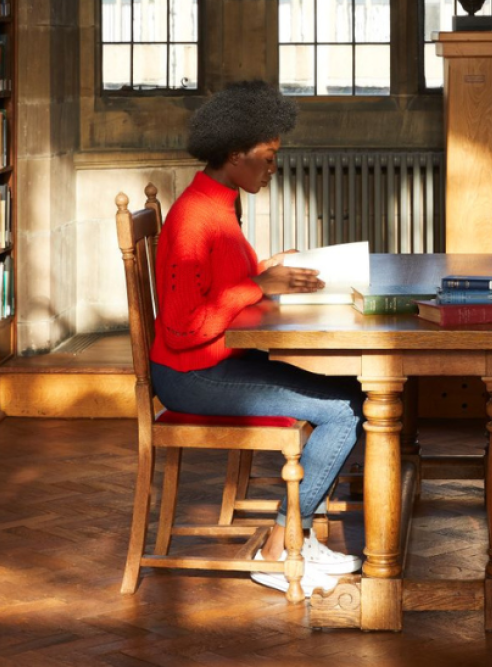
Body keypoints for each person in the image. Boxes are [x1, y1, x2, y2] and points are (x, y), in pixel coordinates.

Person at [149, 80, 365, 595]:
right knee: (348, 408)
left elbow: (221, 283)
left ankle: (296, 533)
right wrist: (256, 285)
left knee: (350, 393)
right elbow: (181, 330)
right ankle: (279, 546)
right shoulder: (194, 220)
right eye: (267, 159)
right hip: (192, 374)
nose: (272, 169)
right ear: (233, 153)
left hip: (214, 362)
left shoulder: (218, 202)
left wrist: (272, 268)